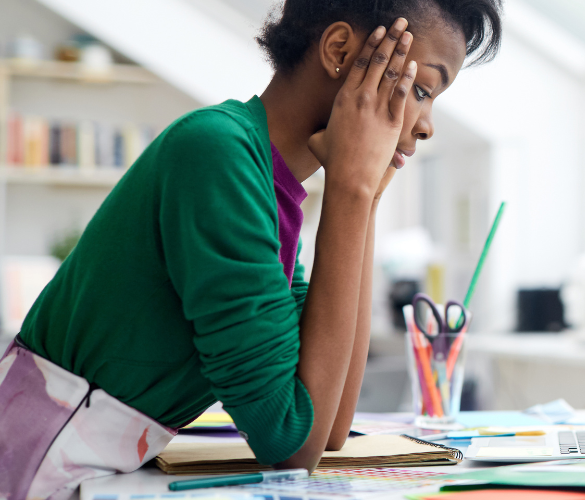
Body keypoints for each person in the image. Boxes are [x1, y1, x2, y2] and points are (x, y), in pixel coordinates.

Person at [0, 0, 501, 497]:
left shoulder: (266, 189)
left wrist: (364, 197)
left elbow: (329, 425)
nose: (426, 125)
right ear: (341, 50)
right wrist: (351, 190)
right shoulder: (216, 154)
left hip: (84, 468)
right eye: (420, 89)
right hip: (34, 470)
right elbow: (290, 442)